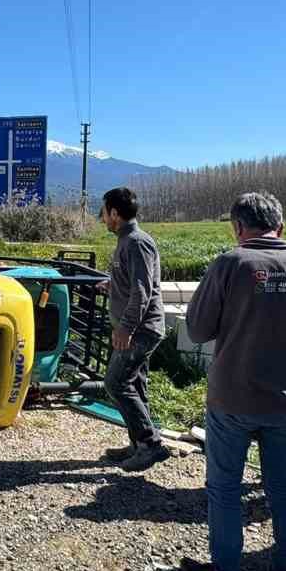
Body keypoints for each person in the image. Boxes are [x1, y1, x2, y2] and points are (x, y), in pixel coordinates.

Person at [181, 192, 286, 571]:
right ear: (281, 227)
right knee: (283, 488)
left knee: (225, 488)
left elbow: (197, 330)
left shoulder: (231, 264)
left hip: (232, 397)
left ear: (237, 228)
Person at [98, 187, 170, 472]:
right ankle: (138, 444)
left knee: (115, 383)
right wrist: (113, 284)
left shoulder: (137, 242)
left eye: (104, 212)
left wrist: (125, 328)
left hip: (141, 329)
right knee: (136, 385)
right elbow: (133, 282)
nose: (102, 218)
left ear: (115, 213)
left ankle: (150, 444)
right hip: (137, 327)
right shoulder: (126, 241)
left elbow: (142, 292)